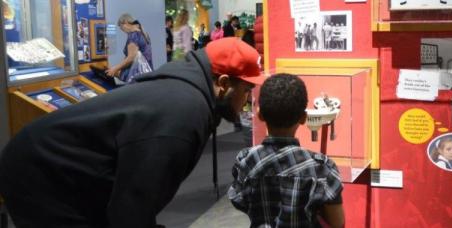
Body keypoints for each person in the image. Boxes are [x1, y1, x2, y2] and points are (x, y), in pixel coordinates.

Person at [0, 37, 266, 227]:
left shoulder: (184, 92)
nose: (246, 101)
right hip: (41, 174)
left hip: (64, 172)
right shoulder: (183, 114)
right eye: (245, 91)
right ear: (222, 83)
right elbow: (131, 207)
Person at [228, 74, 345, 228]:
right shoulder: (322, 167)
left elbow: (239, 200)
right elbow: (337, 222)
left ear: (260, 115)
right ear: (303, 118)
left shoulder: (246, 159)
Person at [106, 13, 153, 84]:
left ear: (125, 22)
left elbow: (131, 58)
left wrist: (115, 68)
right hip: (147, 74)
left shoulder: (133, 35)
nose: (122, 30)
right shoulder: (143, 33)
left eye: (121, 27)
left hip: (138, 78)